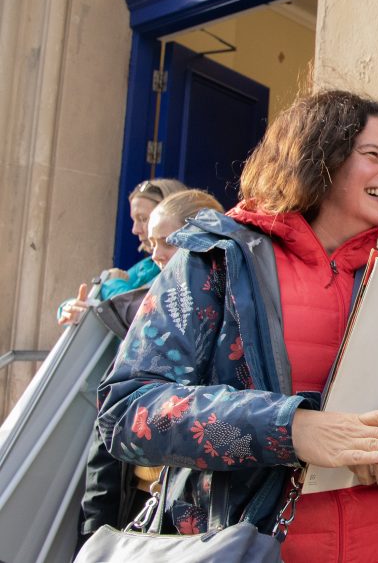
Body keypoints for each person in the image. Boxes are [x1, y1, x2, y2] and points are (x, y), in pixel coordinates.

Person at [97, 90, 378, 562]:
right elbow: (128, 410)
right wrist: (291, 429)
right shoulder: (214, 261)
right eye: (373, 155)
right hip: (248, 549)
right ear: (318, 157)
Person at [80, 188, 224, 545]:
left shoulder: (233, 329)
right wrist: (93, 533)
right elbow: (108, 436)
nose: (155, 254)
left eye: (168, 243)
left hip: (202, 523)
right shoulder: (148, 316)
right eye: (154, 241)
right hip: (139, 508)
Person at [57, 178, 187, 326]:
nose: (135, 229)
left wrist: (112, 283)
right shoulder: (148, 265)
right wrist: (71, 308)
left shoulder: (187, 270)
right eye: (134, 220)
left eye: (144, 219)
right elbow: (95, 301)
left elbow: (140, 316)